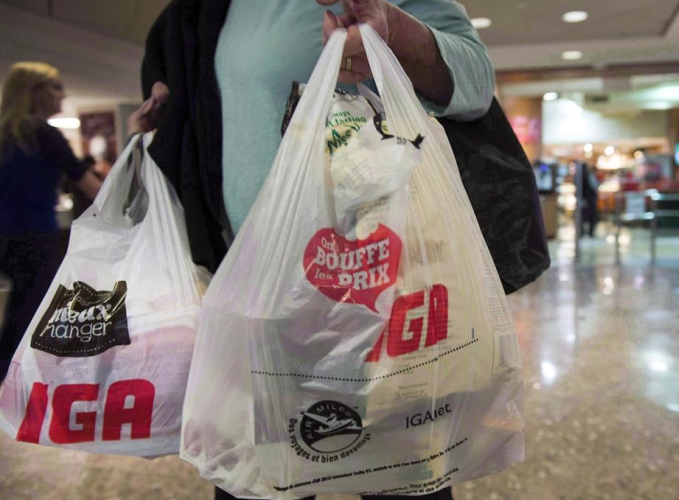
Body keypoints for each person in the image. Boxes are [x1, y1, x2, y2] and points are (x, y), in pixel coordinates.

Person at [128, 1, 494, 499]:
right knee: (258, 484)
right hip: (258, 299)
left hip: (384, 295)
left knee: (404, 481)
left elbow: (476, 84)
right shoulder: (203, 11)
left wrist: (398, 35)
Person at [0, 62, 101, 381]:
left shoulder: (6, 134)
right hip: (34, 238)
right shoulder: (42, 134)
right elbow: (92, 188)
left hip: (7, 236)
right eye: (56, 87)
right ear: (35, 93)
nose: (63, 94)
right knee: (30, 317)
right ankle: (17, 392)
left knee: (20, 316)